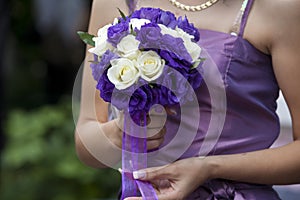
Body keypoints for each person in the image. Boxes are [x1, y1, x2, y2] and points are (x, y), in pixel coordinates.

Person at [75, 0, 300, 199]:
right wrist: (120, 131)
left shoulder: (277, 7)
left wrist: (210, 168)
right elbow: (86, 144)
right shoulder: (116, 2)